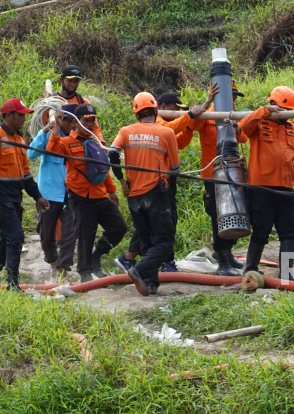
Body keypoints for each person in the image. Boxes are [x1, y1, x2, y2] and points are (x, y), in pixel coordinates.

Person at [114, 90, 213, 274]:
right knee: (162, 228)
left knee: (155, 225)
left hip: (153, 185)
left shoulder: (150, 130)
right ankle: (154, 265)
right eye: (177, 110)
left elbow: (179, 141)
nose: (179, 113)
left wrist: (190, 123)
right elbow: (173, 129)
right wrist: (191, 114)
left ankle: (144, 267)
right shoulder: (158, 125)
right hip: (156, 184)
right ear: (161, 108)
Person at [47, 103, 128, 282]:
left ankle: (96, 255)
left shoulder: (96, 141)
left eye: (93, 120)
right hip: (81, 197)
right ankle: (85, 273)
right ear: (76, 122)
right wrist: (58, 127)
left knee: (119, 228)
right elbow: (52, 150)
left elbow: (102, 168)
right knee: (85, 235)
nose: (90, 124)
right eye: (86, 120)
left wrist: (112, 190)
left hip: (100, 195)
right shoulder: (67, 142)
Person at [109, 92, 180, 296]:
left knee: (147, 240)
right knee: (165, 240)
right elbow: (175, 168)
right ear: (156, 110)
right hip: (156, 192)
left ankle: (150, 283)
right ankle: (139, 270)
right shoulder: (165, 133)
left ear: (136, 112)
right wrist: (167, 188)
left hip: (133, 195)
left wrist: (121, 180)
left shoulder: (126, 131)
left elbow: (112, 153)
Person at [239, 86, 294, 280]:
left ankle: (286, 272)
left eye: (290, 111)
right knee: (261, 230)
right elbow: (242, 129)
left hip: (286, 188)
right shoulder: (259, 123)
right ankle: (251, 269)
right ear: (273, 105)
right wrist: (264, 111)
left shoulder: (291, 127)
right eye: (283, 110)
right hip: (261, 187)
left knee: (289, 232)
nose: (287, 115)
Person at [0, 98, 50, 290]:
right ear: (9, 115)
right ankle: (13, 284)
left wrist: (38, 196)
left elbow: (26, 175)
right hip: (0, 199)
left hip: (14, 198)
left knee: (7, 239)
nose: (24, 119)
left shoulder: (20, 139)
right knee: (16, 237)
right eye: (21, 115)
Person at [187, 81, 249, 277]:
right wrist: (206, 103)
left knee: (239, 213)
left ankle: (226, 252)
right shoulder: (209, 115)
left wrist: (236, 128)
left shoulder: (233, 116)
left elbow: (244, 139)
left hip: (233, 173)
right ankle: (223, 261)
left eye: (235, 97)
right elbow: (193, 124)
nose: (233, 100)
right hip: (212, 176)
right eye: (231, 96)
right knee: (218, 216)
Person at [27, 102, 79, 281]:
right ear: (60, 120)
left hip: (70, 193)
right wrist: (46, 130)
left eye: (74, 121)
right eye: (68, 121)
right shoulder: (49, 136)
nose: (72, 124)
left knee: (70, 232)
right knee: (46, 233)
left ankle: (64, 268)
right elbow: (31, 154)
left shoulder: (76, 138)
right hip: (48, 194)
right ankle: (53, 263)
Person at [45, 65, 104, 141]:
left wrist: (101, 143)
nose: (73, 84)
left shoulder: (82, 102)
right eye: (69, 81)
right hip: (54, 141)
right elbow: (42, 125)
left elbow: (94, 126)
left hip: (78, 143)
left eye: (76, 81)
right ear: (61, 80)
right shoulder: (51, 101)